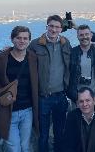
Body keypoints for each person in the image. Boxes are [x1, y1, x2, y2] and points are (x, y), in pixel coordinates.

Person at [29, 15, 71, 152]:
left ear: (61, 29)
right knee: (43, 135)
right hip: (43, 97)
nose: (54, 29)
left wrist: (90, 45)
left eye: (57, 27)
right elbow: (22, 57)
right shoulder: (35, 44)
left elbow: (73, 59)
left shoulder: (66, 43)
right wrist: (8, 51)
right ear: (46, 26)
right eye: (51, 26)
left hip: (61, 96)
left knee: (61, 133)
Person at [0, 26, 39, 151]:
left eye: (25, 38)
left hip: (28, 111)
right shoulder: (0, 59)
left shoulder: (33, 58)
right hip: (8, 111)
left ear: (29, 41)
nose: (22, 41)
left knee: (25, 147)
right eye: (18, 38)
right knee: (14, 148)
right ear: (12, 39)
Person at [63, 87, 95, 152]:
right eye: (81, 101)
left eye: (87, 100)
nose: (85, 104)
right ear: (77, 104)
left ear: (94, 101)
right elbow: (68, 144)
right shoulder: (72, 117)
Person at [68, 24, 95, 102]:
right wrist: (74, 97)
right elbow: (67, 75)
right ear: (77, 37)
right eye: (81, 35)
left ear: (91, 35)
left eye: (86, 34)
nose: (84, 37)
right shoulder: (72, 53)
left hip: (94, 96)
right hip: (77, 97)